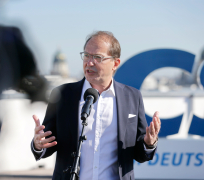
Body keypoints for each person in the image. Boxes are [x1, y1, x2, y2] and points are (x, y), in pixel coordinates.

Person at [31, 31, 161, 180]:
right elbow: (48, 142)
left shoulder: (132, 97)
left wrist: (149, 143)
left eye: (97, 57)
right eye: (86, 55)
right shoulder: (62, 95)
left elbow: (140, 153)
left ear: (115, 63)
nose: (89, 62)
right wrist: (38, 144)